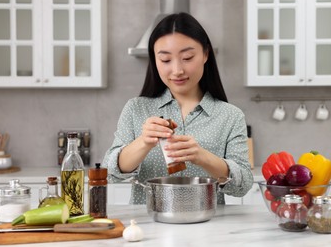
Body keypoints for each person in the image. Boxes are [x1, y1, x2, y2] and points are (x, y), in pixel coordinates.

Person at [102, 12, 253, 204]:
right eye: (165, 60)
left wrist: (203, 157)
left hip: (208, 228)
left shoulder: (230, 116)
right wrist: (144, 142)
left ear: (206, 54)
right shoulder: (136, 109)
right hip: (149, 226)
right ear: (155, 61)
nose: (177, 70)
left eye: (188, 58)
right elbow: (108, 174)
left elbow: (244, 185)